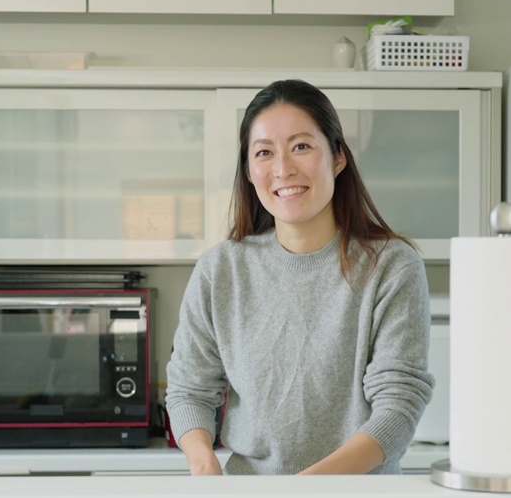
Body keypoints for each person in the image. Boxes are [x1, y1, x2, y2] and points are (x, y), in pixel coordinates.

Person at [166, 79, 435, 475]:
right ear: (249, 170)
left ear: (338, 156)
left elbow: (397, 407)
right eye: (264, 152)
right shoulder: (221, 270)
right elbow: (190, 389)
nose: (283, 169)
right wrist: (205, 466)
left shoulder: (392, 266)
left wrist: (302, 493)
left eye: (302, 146)